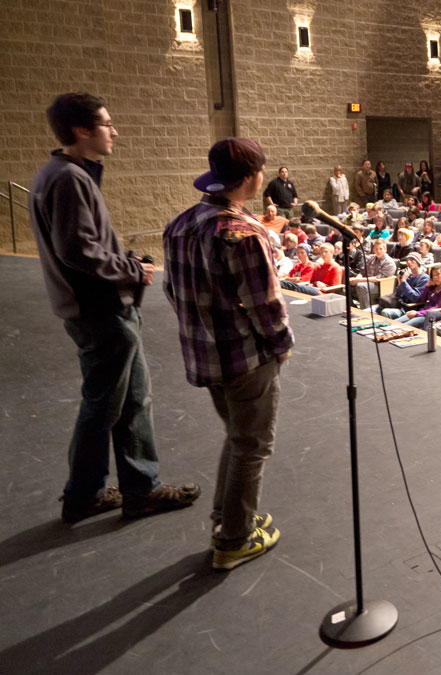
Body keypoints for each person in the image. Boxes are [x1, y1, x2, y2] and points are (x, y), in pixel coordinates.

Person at [29, 92, 200, 524]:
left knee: (132, 401)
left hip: (100, 308)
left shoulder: (61, 174)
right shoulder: (68, 178)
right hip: (102, 311)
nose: (114, 130)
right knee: (104, 405)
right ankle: (84, 494)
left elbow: (82, 245)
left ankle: (140, 489)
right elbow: (79, 250)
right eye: (106, 123)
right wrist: (130, 269)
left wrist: (125, 262)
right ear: (82, 130)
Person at [164, 136, 297, 569]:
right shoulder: (242, 234)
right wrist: (281, 347)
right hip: (245, 359)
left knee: (238, 438)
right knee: (252, 444)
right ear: (251, 177)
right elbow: (266, 306)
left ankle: (228, 517)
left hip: (204, 355)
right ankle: (235, 540)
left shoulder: (180, 224)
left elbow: (172, 291)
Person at [349, 239, 396, 308]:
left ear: (385, 249)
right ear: (373, 250)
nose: (378, 251)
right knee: (348, 283)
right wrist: (357, 278)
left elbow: (377, 278)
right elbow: (362, 272)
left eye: (381, 249)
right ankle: (352, 308)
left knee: (361, 286)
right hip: (367, 281)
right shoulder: (371, 258)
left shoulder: (389, 262)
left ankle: (365, 310)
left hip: (379, 285)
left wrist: (358, 280)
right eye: (376, 249)